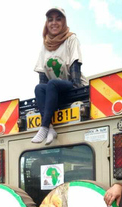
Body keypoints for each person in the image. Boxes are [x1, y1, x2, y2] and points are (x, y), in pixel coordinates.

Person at [32, 7, 87, 145]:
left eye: (58, 19)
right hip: (54, 91)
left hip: (72, 85)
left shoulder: (71, 39)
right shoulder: (44, 46)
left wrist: (77, 89)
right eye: (50, 20)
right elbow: (42, 78)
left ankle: (43, 127)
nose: (54, 23)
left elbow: (75, 65)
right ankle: (50, 128)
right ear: (47, 23)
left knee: (52, 83)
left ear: (64, 22)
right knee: (39, 88)